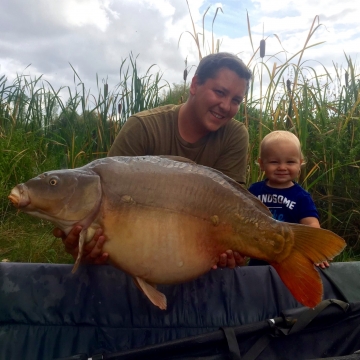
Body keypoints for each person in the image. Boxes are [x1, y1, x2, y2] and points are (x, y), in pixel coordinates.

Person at [54, 52, 253, 269]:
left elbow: (234, 207)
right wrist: (85, 245)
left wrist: (234, 250)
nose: (226, 106)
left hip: (195, 250)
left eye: (236, 100)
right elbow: (104, 204)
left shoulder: (234, 135)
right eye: (220, 92)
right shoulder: (142, 128)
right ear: (195, 85)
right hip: (137, 245)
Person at [248, 130, 329, 268]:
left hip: (290, 258)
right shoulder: (254, 191)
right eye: (274, 162)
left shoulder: (301, 197)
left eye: (290, 162)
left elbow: (311, 225)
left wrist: (316, 251)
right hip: (258, 258)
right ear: (262, 164)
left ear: (300, 164)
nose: (282, 167)